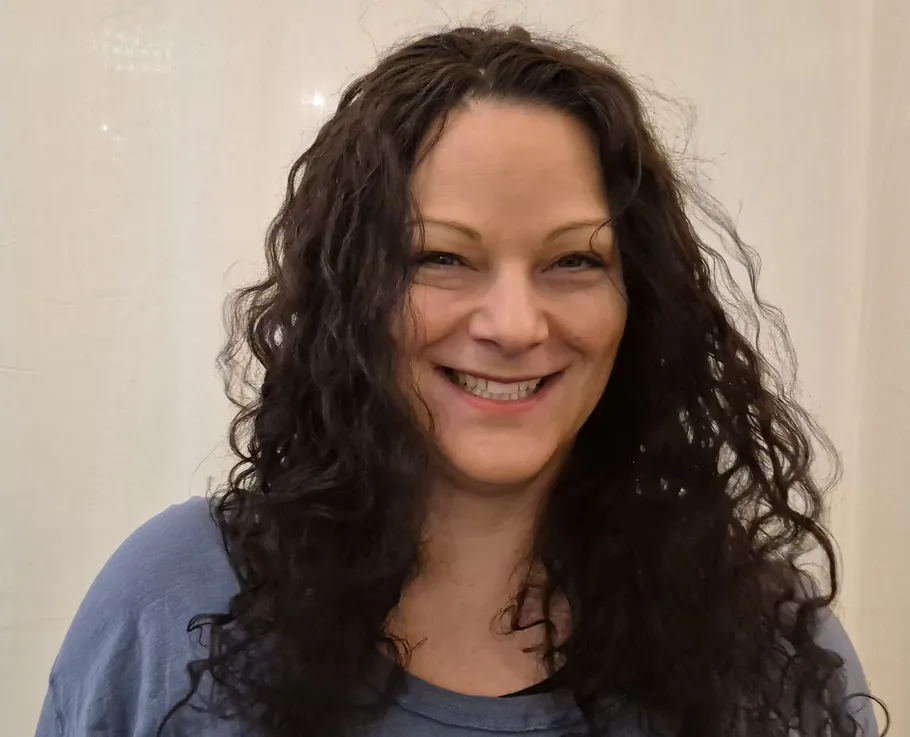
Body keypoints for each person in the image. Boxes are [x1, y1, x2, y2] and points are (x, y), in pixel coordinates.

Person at [36, 24, 883, 737]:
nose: (514, 324)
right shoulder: (170, 603)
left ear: (641, 301)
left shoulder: (760, 646)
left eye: (573, 260)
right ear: (353, 295)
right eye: (441, 257)